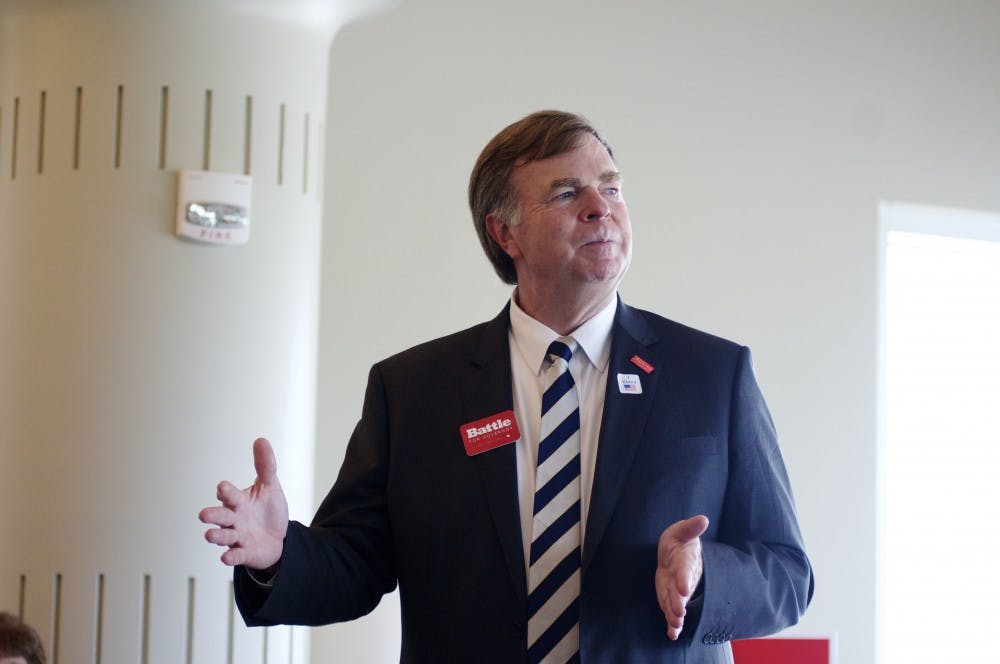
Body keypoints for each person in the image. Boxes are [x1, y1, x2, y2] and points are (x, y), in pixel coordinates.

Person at [200, 110, 813, 663]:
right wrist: (279, 554)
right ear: (505, 234)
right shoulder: (413, 389)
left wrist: (706, 577)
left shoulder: (712, 373)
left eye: (612, 187)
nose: (601, 206)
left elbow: (787, 572)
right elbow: (356, 564)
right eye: (568, 192)